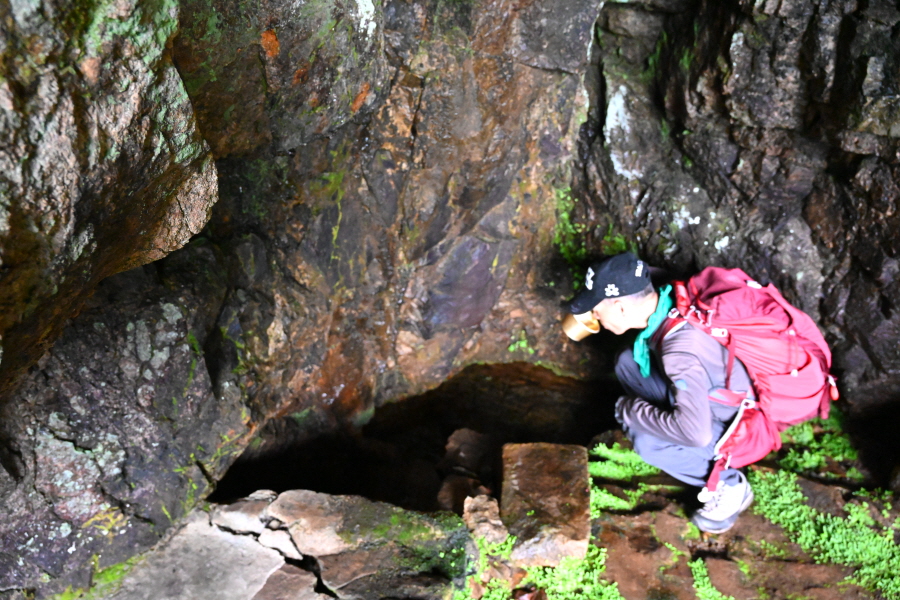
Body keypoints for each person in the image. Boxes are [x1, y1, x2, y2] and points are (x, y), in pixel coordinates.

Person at [568, 252, 754, 533]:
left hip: (736, 424)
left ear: (620, 307)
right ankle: (661, 422)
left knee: (647, 441)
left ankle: (728, 484)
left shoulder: (679, 352)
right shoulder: (668, 299)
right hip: (715, 395)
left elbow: (696, 433)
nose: (593, 315)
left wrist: (630, 411)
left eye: (595, 308)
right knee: (628, 362)